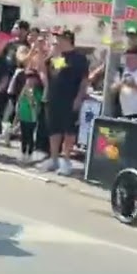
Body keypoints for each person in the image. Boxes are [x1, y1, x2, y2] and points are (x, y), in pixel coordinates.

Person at [39, 29, 89, 176]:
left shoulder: (79, 59)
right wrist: (45, 53)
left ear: (67, 39)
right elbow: (49, 72)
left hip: (71, 98)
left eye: (58, 38)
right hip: (54, 97)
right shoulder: (57, 56)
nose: (56, 41)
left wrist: (79, 97)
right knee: (54, 129)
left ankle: (66, 160)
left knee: (69, 131)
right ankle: (54, 159)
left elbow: (85, 80)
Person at [16, 70, 44, 161]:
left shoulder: (37, 92)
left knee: (30, 136)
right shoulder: (23, 90)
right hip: (23, 116)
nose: (30, 81)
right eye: (28, 79)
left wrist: (31, 95)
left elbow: (35, 104)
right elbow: (19, 101)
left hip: (32, 117)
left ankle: (30, 154)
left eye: (32, 79)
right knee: (23, 135)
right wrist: (17, 113)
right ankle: (23, 153)